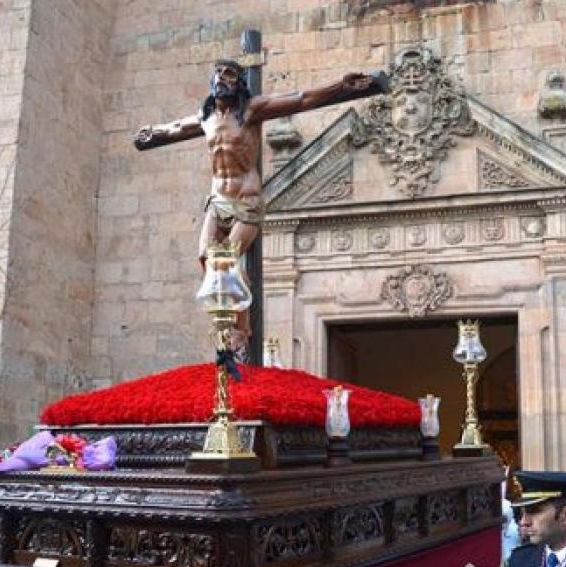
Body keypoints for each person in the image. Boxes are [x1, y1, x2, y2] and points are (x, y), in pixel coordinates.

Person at [134, 60, 386, 350]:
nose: (222, 79)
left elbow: (301, 99)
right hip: (217, 201)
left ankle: (242, 329)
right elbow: (175, 128)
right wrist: (150, 133)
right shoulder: (206, 119)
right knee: (206, 257)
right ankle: (227, 315)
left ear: (239, 82)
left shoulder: (251, 111)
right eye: (218, 74)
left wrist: (340, 86)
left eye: (229, 74)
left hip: (246, 199)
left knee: (226, 258)